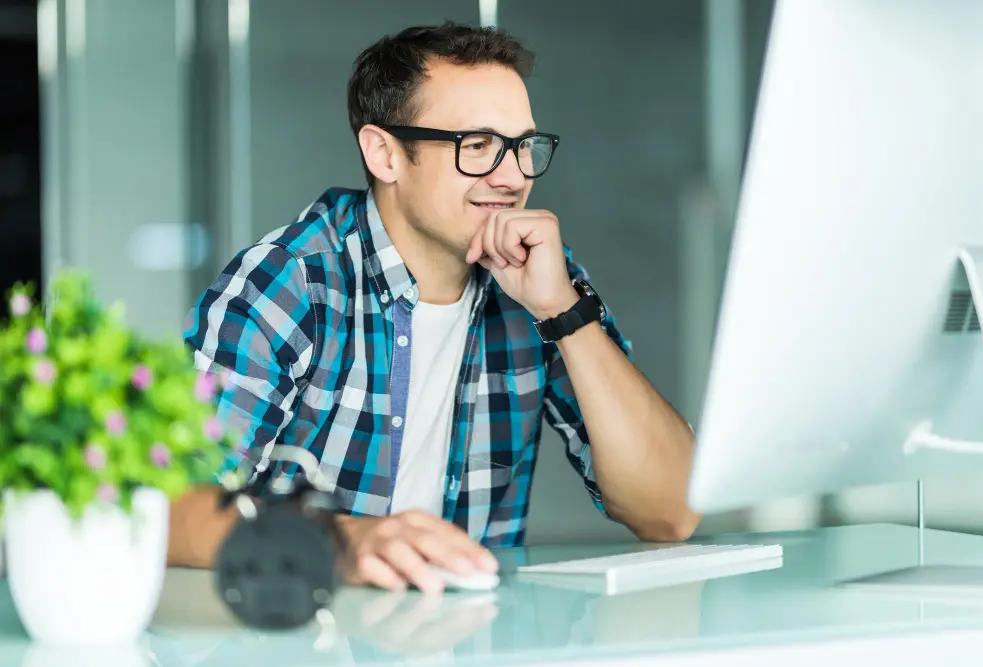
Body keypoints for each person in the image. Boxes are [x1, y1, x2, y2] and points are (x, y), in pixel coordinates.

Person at [171, 22, 700, 594]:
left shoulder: (544, 282)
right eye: (477, 146)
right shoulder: (293, 280)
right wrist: (341, 541)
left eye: (524, 147)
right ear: (385, 154)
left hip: (470, 639)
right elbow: (171, 507)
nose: (513, 176)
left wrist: (564, 313)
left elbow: (670, 512)